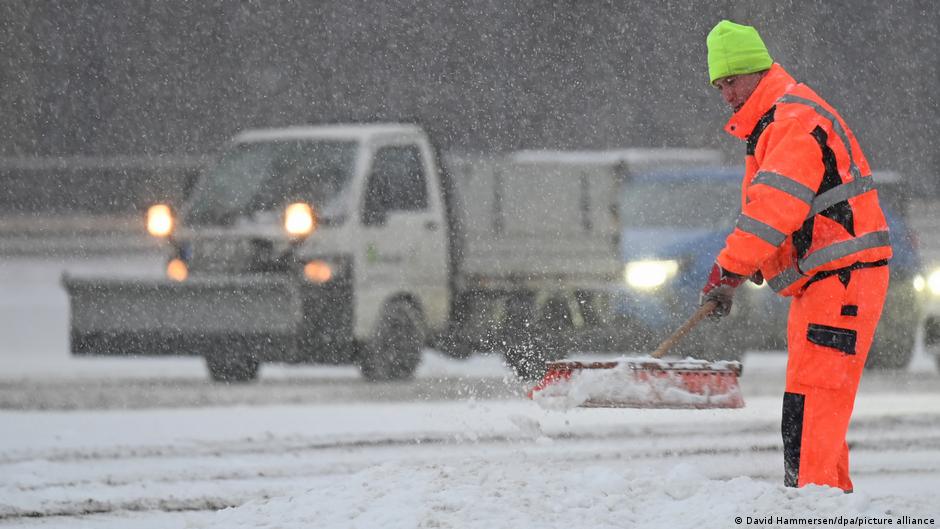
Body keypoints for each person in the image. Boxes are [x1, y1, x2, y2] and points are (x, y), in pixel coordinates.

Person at [699, 20, 893, 492]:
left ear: (757, 72)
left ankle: (816, 509)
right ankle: (830, 504)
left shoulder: (790, 122)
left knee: (811, 411)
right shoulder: (775, 122)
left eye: (731, 82)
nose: (725, 95)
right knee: (811, 413)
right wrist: (746, 270)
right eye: (718, 86)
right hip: (825, 282)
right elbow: (780, 214)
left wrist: (729, 270)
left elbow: (772, 210)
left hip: (842, 280)